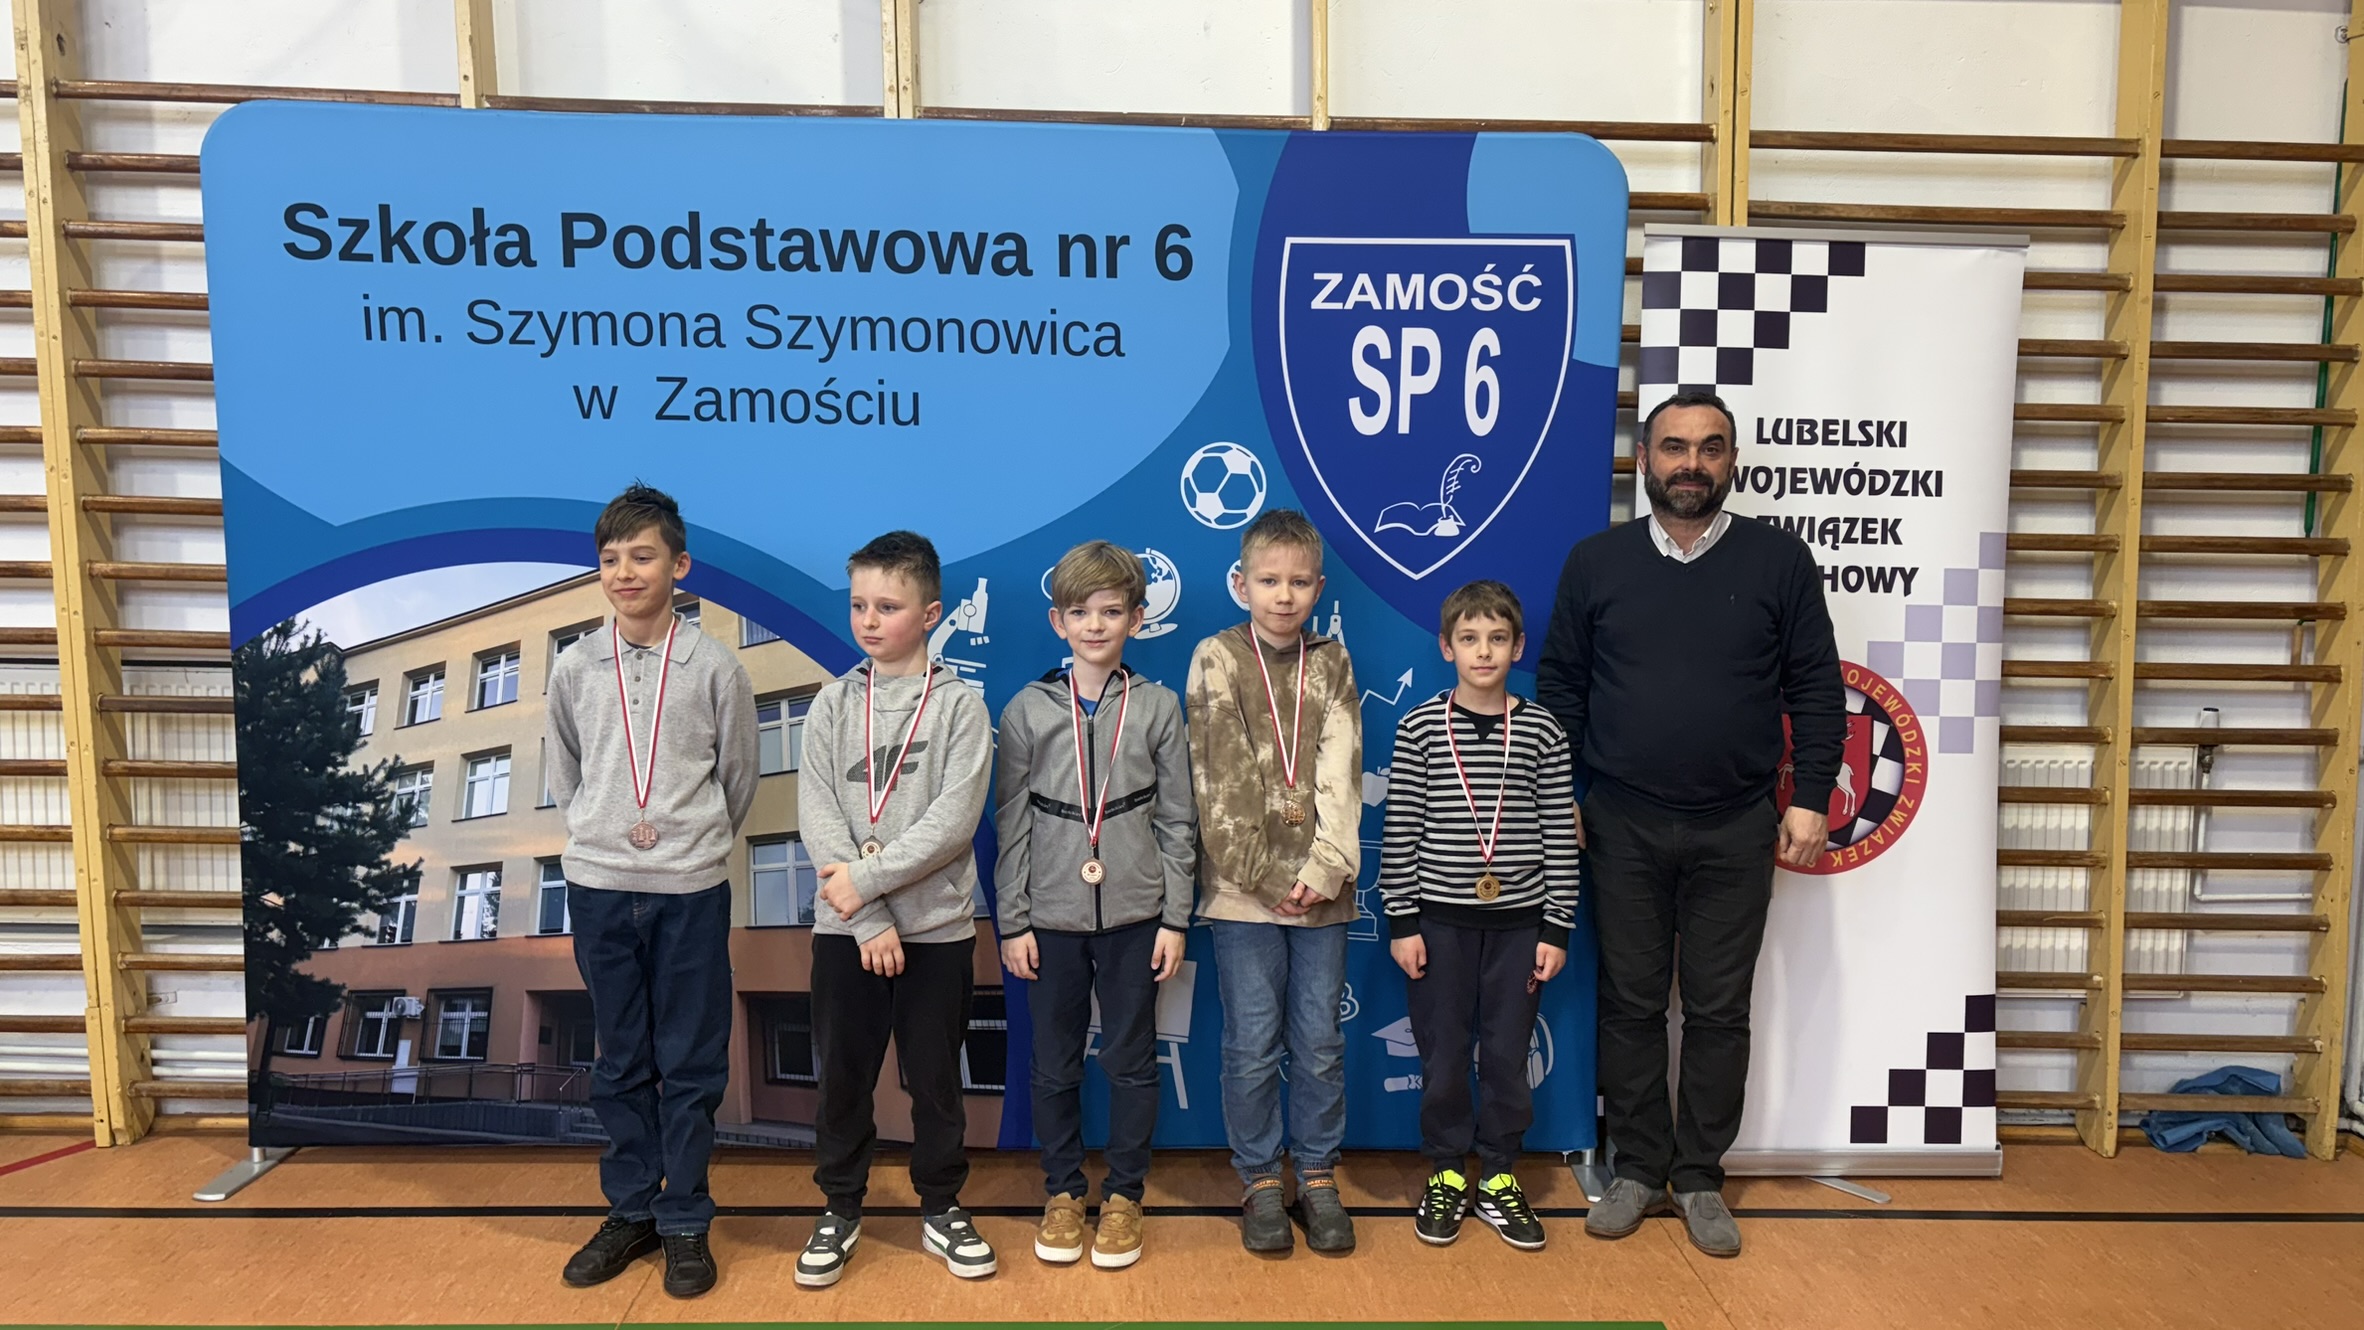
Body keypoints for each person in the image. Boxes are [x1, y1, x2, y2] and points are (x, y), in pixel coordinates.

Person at [1536, 389, 1844, 1259]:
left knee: (1717, 1009)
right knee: (1631, 1003)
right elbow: (1560, 686)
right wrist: (1563, 792)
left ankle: (1701, 1174)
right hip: (1621, 822)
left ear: (1731, 462)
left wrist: (1811, 795)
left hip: (1738, 824)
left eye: (1711, 448)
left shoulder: (1780, 561)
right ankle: (1638, 1167)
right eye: (1674, 447)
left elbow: (1816, 687)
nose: (1692, 464)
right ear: (1645, 459)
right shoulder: (1596, 562)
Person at [548, 482, 758, 1300]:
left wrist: (686, 842)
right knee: (620, 1060)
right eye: (611, 559)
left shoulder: (717, 666)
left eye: (642, 556)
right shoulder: (574, 666)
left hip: (689, 888)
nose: (625, 572)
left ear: (680, 566)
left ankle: (686, 1219)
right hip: (599, 885)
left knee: (692, 1063)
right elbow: (566, 774)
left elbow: (737, 779)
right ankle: (631, 1210)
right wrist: (604, 831)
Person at [792, 531, 999, 1287]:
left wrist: (870, 884)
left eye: (888, 606)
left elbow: (952, 824)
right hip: (847, 931)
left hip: (937, 933)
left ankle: (941, 1206)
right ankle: (840, 1208)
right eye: (858, 606)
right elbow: (816, 811)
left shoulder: (960, 708)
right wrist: (869, 918)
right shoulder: (831, 703)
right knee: (843, 1080)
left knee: (935, 1081)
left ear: (931, 613)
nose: (869, 621)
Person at [995, 540, 1196, 1270]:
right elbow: (1011, 822)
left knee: (1131, 1061)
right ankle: (1061, 1191)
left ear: (1137, 620)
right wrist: (1012, 920)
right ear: (1058, 621)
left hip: (1137, 916)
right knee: (1053, 1065)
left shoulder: (1158, 707)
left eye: (1111, 612)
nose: (1095, 625)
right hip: (1049, 917)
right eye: (1080, 612)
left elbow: (1178, 820)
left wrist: (1175, 917)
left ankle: (1124, 1196)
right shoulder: (1026, 709)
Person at [1380, 579, 1579, 1252]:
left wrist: (1557, 927)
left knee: (1505, 1055)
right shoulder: (1419, 728)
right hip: (1438, 925)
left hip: (1521, 927)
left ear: (1518, 647)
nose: (1484, 651)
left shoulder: (1543, 730)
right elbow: (1401, 829)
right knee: (1442, 1056)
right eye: (1469, 639)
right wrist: (1402, 921)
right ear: (1447, 648)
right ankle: (1445, 1171)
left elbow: (1559, 834)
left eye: (1497, 638)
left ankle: (1497, 1175)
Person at [1186, 508, 1363, 1255]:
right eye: (1268, 581)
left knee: (1319, 1041)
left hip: (1324, 889)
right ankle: (1260, 1178)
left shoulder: (1333, 662)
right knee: (1253, 1043)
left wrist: (1322, 870)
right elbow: (1217, 780)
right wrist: (1265, 878)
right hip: (1242, 892)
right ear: (1241, 584)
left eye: (1298, 582)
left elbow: (1341, 770)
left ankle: (1317, 1174)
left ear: (1318, 587)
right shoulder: (1217, 657)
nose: (1284, 595)